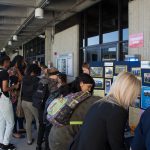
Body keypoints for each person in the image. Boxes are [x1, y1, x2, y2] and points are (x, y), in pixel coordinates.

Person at [69, 72, 141, 150]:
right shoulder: (118, 111)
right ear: (129, 92)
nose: (136, 97)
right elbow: (116, 144)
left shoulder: (100, 103)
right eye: (136, 93)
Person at [49, 73, 100, 150]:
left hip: (53, 135)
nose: (90, 90)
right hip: (65, 140)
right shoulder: (83, 99)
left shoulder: (68, 94)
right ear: (81, 84)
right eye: (89, 86)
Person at [36, 67, 60, 150]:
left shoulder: (42, 80)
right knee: (48, 128)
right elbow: (55, 96)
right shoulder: (53, 83)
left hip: (40, 106)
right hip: (48, 108)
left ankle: (38, 145)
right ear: (56, 74)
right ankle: (47, 147)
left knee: (41, 126)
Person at [0, 54, 19, 150]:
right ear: (4, 62)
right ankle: (6, 144)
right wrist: (14, 87)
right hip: (4, 99)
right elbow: (5, 88)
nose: (9, 63)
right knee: (11, 123)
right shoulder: (4, 72)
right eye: (7, 61)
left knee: (2, 121)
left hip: (0, 99)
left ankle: (1, 142)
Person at [21, 64, 41, 145]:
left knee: (28, 120)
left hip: (24, 102)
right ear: (35, 71)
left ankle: (29, 140)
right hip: (32, 103)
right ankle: (39, 140)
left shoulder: (24, 78)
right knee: (38, 120)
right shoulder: (36, 79)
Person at [8, 55, 26, 138]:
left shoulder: (16, 69)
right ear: (18, 62)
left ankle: (21, 127)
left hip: (18, 94)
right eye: (22, 62)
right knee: (15, 113)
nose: (23, 63)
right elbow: (21, 79)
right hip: (14, 96)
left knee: (19, 110)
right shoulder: (13, 69)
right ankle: (14, 131)